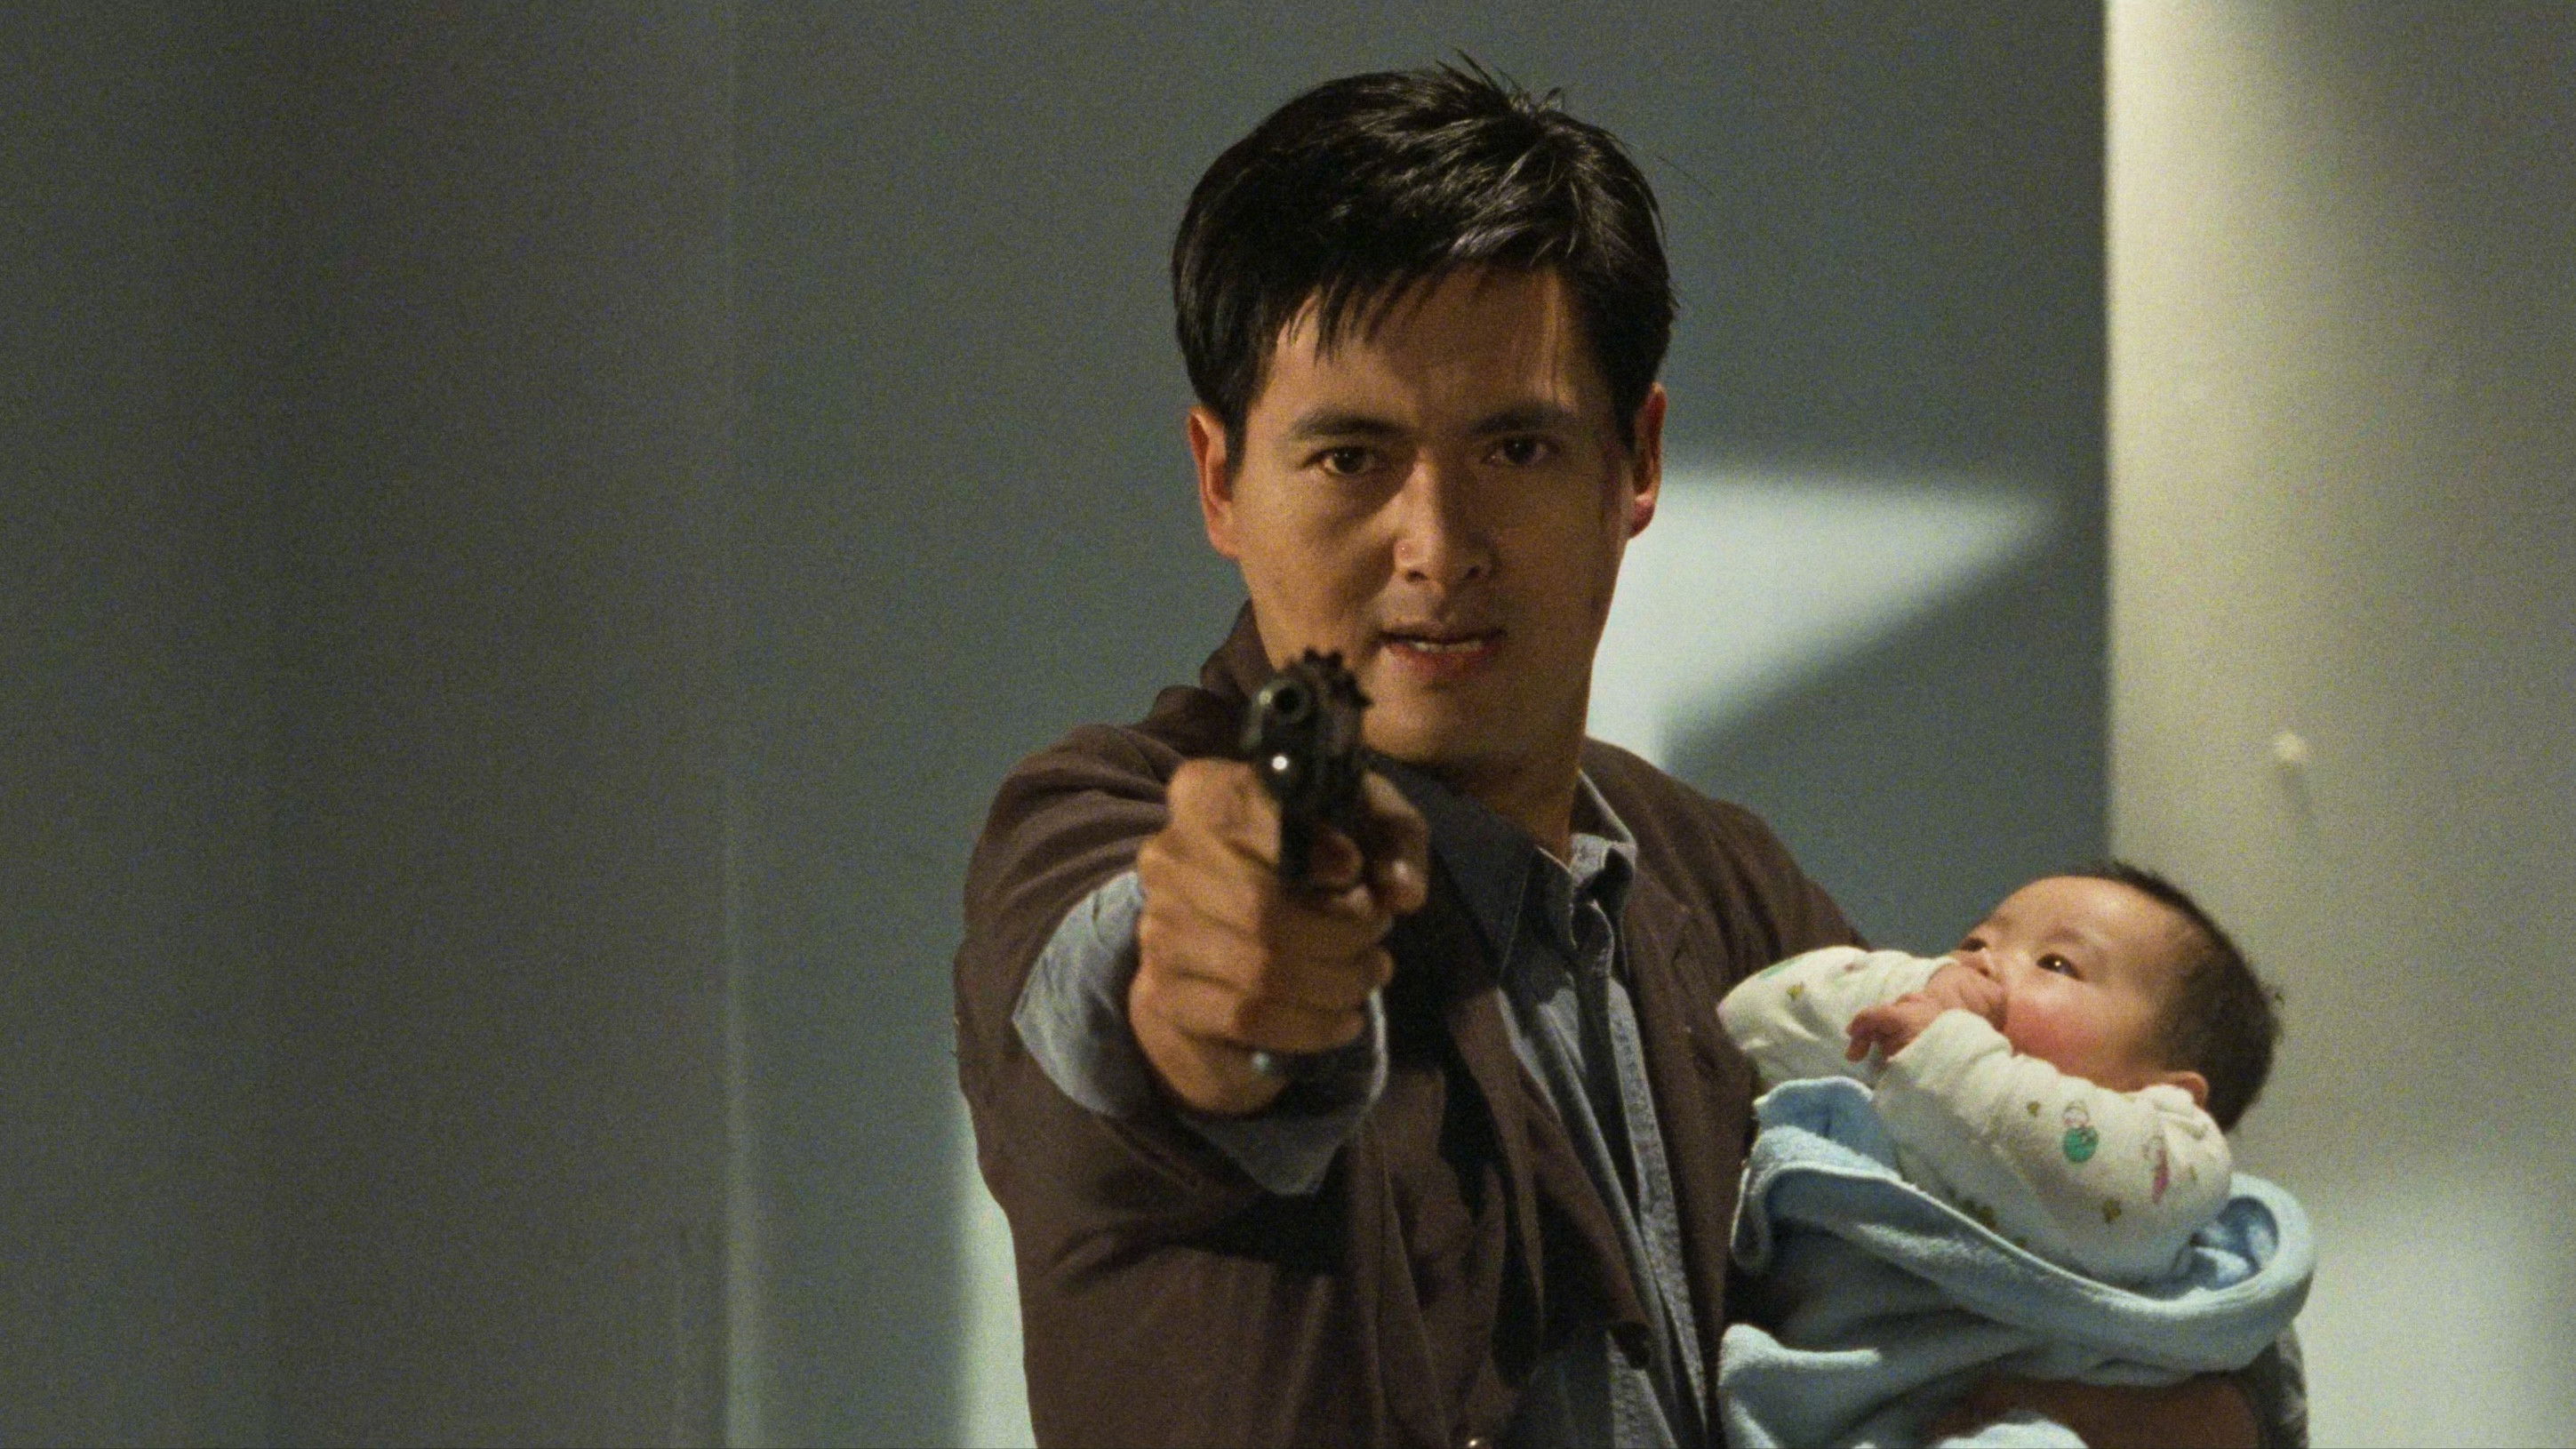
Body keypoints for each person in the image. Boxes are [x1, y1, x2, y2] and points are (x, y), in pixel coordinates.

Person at [952, 62, 2281, 1447]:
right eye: (1349, 457)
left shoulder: (1720, 880)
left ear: (1633, 460)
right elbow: (1130, 1003)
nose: (1435, 545)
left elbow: (2064, 1254)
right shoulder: (1093, 821)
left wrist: (2177, 1415)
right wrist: (1215, 971)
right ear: (1220, 478)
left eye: (1515, 447)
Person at [1714, 864, 2312, 1445]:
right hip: (1836, 1409)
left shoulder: (2170, 1155)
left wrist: (1944, 1050)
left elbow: (2095, 1187)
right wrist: (1903, 991)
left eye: (2056, 963)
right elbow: (1744, 1019)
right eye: (1975, 941)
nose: (1980, 962)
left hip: (2044, 1409)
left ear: (2165, 1092)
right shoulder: (1902, 1073)